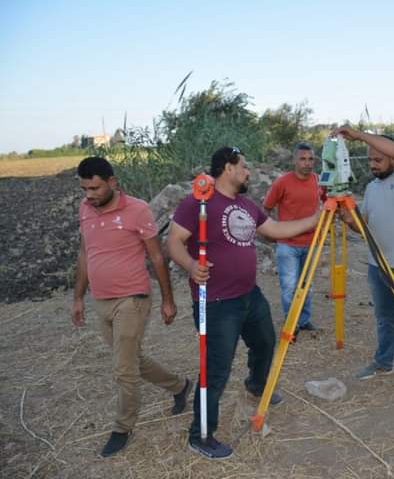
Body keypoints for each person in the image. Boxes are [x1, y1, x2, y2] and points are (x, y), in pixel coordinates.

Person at [167, 146, 320, 459]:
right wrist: (191, 265)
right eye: (244, 167)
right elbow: (174, 242)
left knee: (265, 343)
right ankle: (200, 435)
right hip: (217, 303)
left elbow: (275, 230)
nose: (248, 172)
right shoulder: (198, 202)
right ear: (228, 168)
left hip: (250, 295)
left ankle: (256, 384)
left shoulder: (246, 205)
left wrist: (316, 219)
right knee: (216, 370)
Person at [71, 156, 191, 458]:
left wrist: (168, 300)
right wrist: (78, 297)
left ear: (112, 182)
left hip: (133, 299)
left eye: (95, 188)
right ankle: (179, 386)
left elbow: (157, 256)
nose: (89, 195)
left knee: (123, 369)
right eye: (84, 189)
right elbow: (85, 254)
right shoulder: (85, 209)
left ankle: (122, 428)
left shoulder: (137, 210)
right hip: (101, 299)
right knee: (131, 358)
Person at [335, 127, 394, 396]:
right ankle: (384, 362)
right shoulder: (371, 188)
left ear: (391, 159)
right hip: (378, 265)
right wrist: (348, 218)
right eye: (370, 160)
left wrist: (359, 135)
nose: (373, 165)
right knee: (384, 318)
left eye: (378, 159)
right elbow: (363, 227)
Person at [263, 143, 325, 337]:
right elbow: (266, 208)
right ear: (294, 161)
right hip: (287, 244)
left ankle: (304, 320)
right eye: (303, 159)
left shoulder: (319, 181)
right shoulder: (282, 182)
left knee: (306, 284)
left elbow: (327, 202)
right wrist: (270, 232)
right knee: (289, 286)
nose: (307, 163)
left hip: (312, 242)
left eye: (311, 159)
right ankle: (292, 323)